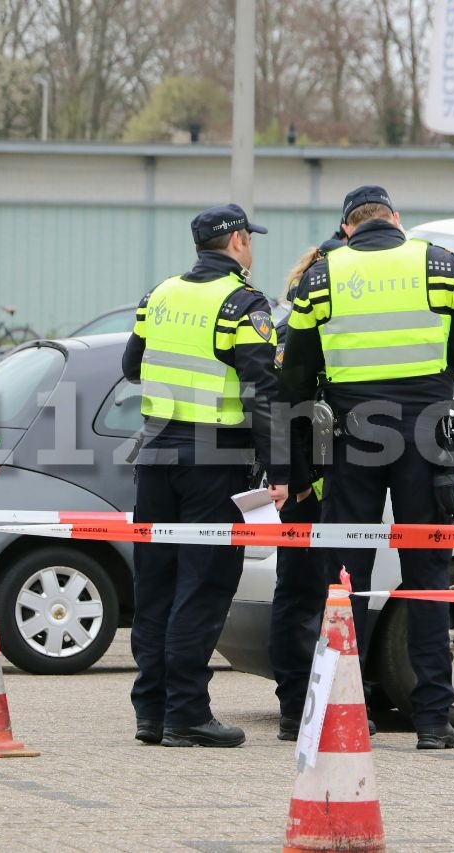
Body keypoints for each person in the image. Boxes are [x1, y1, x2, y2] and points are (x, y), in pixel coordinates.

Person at [272, 185, 454, 750]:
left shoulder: (323, 276)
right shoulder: (441, 264)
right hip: (427, 439)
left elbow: (295, 372)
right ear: (397, 220)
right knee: (427, 579)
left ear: (347, 227)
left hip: (353, 440)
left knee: (345, 581)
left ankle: (345, 711)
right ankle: (432, 722)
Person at [121, 202, 278, 748]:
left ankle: (152, 712)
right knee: (203, 587)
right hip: (215, 461)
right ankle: (186, 713)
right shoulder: (242, 303)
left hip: (157, 454)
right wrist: (280, 468)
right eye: (249, 239)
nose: (251, 248)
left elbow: (131, 367)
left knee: (157, 585)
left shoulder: (159, 295)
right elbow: (263, 391)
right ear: (236, 241)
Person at [266, 240, 361, 742]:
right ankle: (295, 705)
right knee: (300, 595)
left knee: (334, 597)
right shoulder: (293, 331)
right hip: (307, 491)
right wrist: (297, 481)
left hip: (339, 487)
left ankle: (331, 699)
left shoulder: (343, 328)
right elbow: (282, 412)